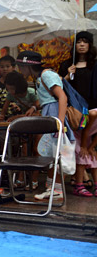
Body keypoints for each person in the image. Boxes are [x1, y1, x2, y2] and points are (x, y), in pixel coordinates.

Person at [16, 50, 70, 201]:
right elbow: (46, 98)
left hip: (55, 114)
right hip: (49, 113)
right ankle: (52, 188)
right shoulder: (39, 78)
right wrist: (34, 107)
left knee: (57, 153)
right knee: (51, 153)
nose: (20, 70)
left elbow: (62, 97)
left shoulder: (47, 75)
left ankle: (56, 190)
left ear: (27, 66)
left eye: (20, 66)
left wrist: (59, 123)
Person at [58, 30, 97, 197]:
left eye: (85, 41)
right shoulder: (66, 64)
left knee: (87, 146)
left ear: (90, 45)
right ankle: (78, 181)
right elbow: (58, 87)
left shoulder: (94, 65)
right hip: (73, 112)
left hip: (91, 110)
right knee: (78, 146)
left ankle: (83, 181)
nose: (81, 44)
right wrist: (67, 75)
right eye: (79, 41)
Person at [0, 55, 20, 121]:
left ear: (13, 67)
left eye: (8, 66)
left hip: (17, 116)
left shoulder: (18, 81)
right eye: (2, 67)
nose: (5, 69)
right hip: (1, 117)